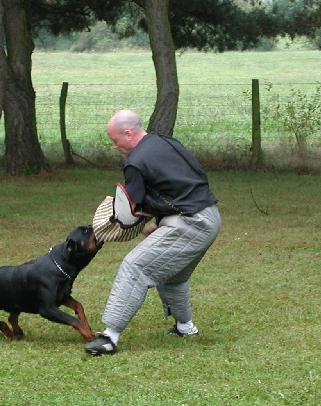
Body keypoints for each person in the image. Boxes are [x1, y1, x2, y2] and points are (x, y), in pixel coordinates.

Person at [84, 110, 222, 356]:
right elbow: (190, 179)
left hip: (190, 222)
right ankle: (185, 327)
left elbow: (131, 208)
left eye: (115, 141)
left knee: (135, 266)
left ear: (128, 133)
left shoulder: (135, 162)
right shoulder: (166, 141)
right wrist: (163, 222)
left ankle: (109, 337)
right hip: (209, 217)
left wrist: (113, 221)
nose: (114, 147)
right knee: (173, 275)